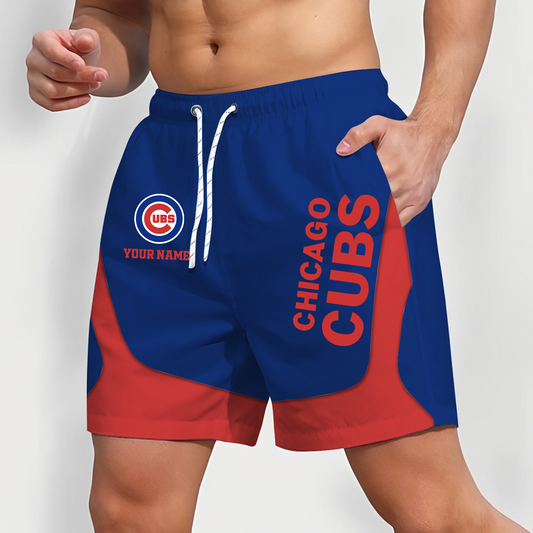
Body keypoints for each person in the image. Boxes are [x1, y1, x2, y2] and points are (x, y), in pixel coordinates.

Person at [25, 0, 529, 531]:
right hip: (170, 175)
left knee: (430, 508)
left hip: (325, 157)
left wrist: (435, 128)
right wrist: (81, 58)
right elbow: (115, 13)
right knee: (127, 508)